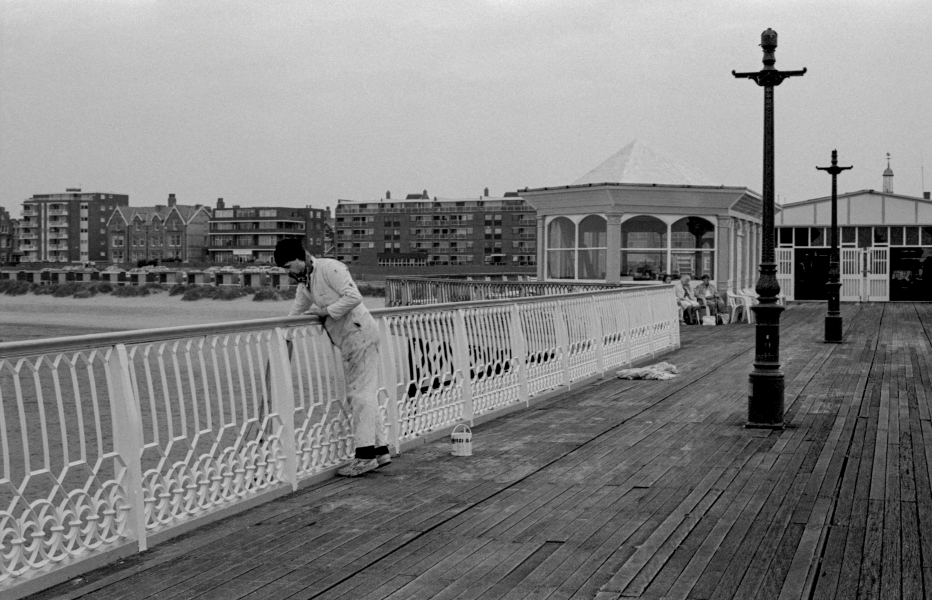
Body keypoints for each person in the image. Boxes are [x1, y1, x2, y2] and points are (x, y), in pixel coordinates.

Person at [274, 238, 390, 477]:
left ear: (300, 257)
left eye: (288, 266)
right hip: (349, 340)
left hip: (360, 334)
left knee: (359, 394)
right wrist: (282, 336)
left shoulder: (329, 268)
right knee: (365, 392)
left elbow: (353, 296)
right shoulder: (305, 284)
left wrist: (326, 311)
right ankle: (380, 450)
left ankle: (365, 456)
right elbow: (295, 313)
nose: (287, 272)